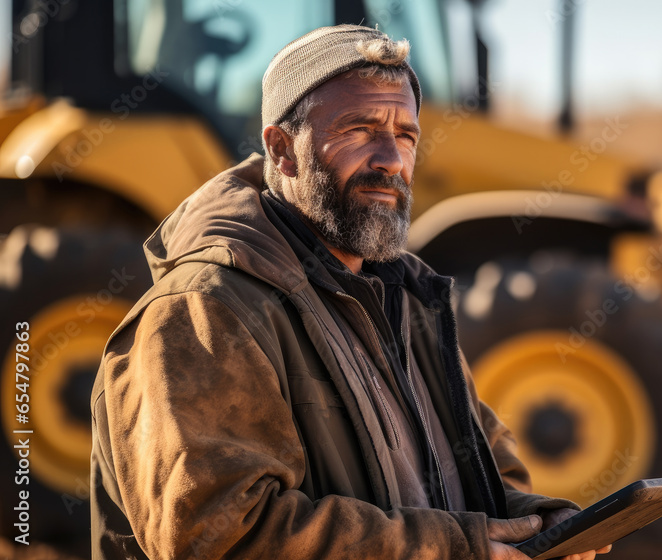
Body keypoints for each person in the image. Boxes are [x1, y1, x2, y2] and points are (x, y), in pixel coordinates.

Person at [90, 24, 613, 560]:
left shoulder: (408, 300)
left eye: (406, 135)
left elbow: (482, 469)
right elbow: (218, 536)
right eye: (360, 129)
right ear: (282, 150)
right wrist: (456, 550)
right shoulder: (205, 309)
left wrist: (535, 523)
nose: (391, 159)